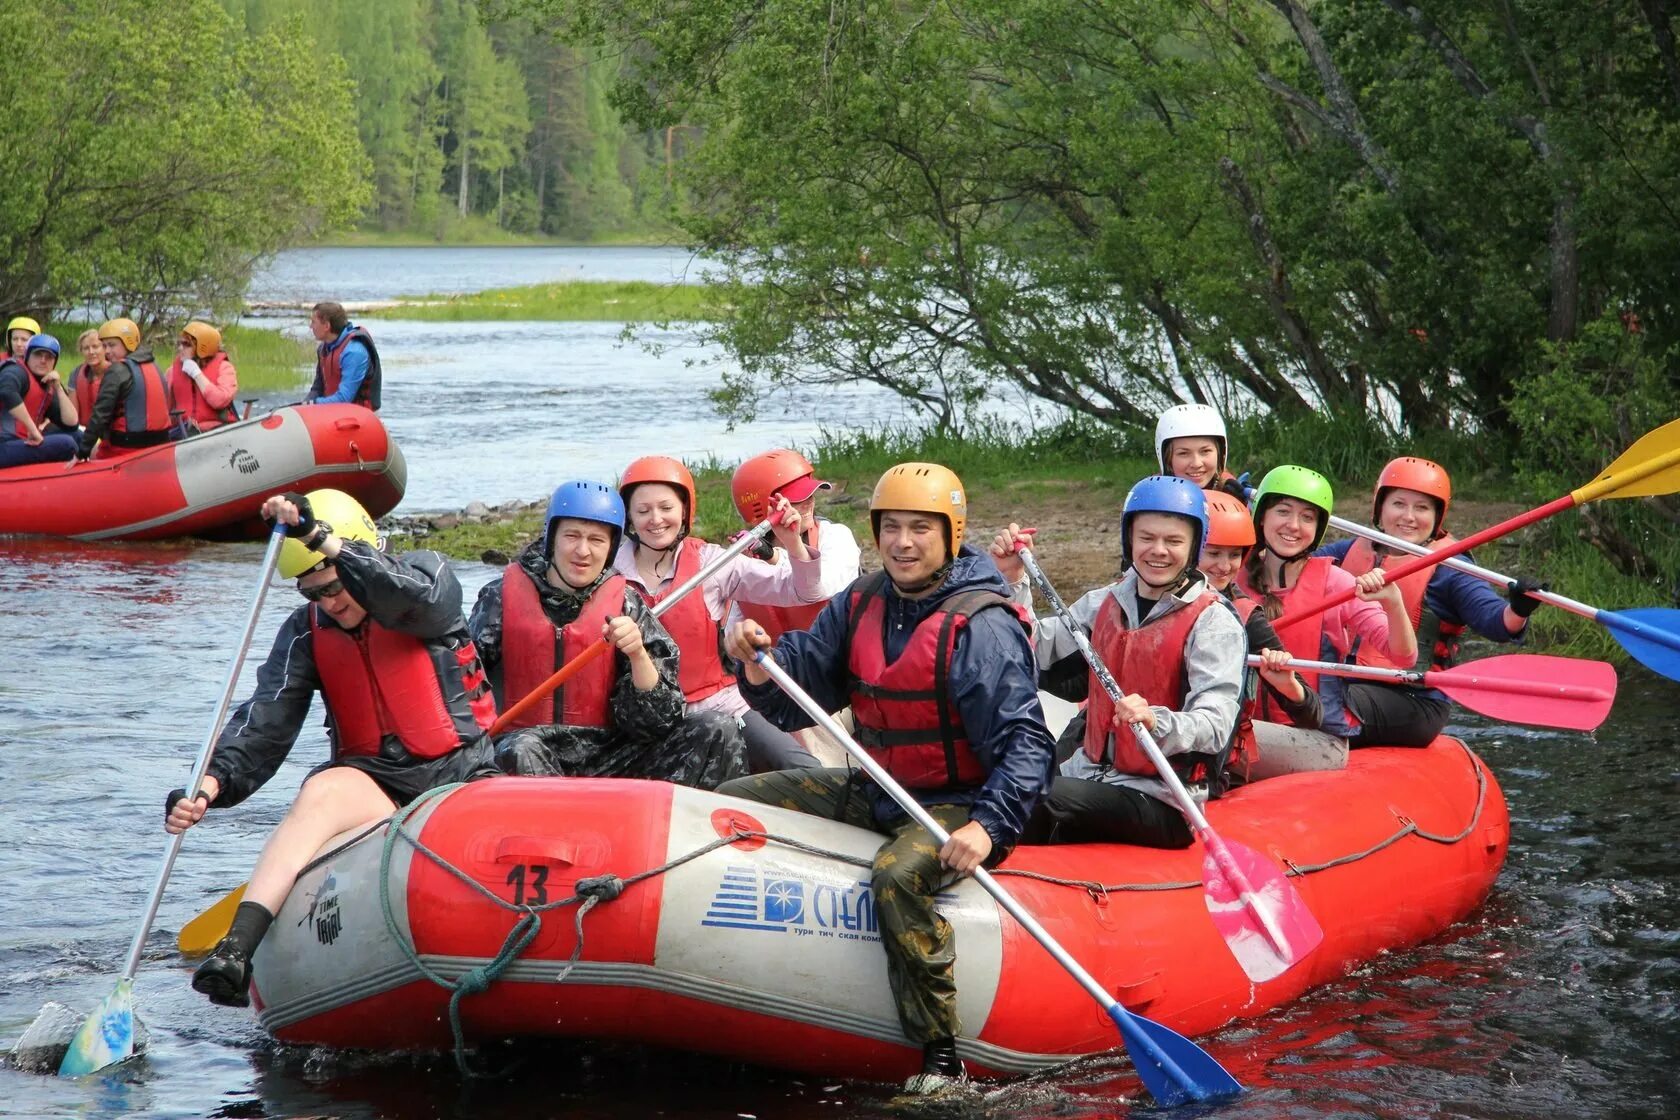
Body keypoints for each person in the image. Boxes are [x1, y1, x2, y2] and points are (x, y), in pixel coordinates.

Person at [720, 462, 1054, 1095]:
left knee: (898, 875)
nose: (903, 542)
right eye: (891, 527)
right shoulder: (862, 600)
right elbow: (802, 688)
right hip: (877, 789)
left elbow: (1028, 743)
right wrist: (759, 663)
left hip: (960, 803)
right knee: (733, 804)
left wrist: (988, 826)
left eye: (920, 529)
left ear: (951, 534)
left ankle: (941, 1057)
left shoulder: (982, 624)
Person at [166, 489, 499, 1007]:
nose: (331, 602)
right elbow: (265, 721)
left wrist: (322, 539)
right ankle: (234, 953)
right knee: (322, 790)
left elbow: (423, 603)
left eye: (337, 585)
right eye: (314, 592)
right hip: (375, 789)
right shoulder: (306, 633)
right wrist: (209, 784)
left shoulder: (426, 578)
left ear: (360, 558)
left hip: (462, 776)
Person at [992, 477, 1244, 848]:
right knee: (1000, 781)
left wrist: (1157, 719)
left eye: (1173, 541)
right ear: (1130, 540)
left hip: (1163, 798)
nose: (1158, 550)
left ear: (1193, 547)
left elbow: (1216, 723)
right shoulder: (1105, 601)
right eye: (1146, 538)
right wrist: (1012, 579)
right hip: (1091, 774)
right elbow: (1033, 648)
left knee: (1033, 797)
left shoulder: (1213, 620)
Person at [470, 480, 747, 788]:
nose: (583, 551)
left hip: (609, 754)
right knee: (519, 749)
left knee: (717, 729)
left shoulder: (627, 604)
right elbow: (461, 688)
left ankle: (701, 831)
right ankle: (557, 830)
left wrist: (639, 655)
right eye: (571, 536)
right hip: (530, 746)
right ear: (551, 538)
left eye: (597, 540)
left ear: (611, 548)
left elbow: (658, 723)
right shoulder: (499, 598)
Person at [615, 455, 827, 773]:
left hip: (722, 705)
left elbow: (801, 591)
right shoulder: (609, 572)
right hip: (647, 717)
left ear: (685, 511)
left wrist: (792, 543)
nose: (655, 519)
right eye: (643, 511)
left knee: (802, 769)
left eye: (666, 508)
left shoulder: (713, 563)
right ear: (629, 517)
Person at [1317, 457, 1544, 745]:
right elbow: (1288, 567)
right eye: (1399, 504)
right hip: (1345, 682)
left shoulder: (1451, 569)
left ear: (1437, 516)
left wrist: (1519, 608)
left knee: (1319, 699)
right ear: (1380, 507)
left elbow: (1497, 622)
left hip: (1414, 699)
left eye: (1421, 507)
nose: (1409, 517)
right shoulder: (1347, 550)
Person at [1235, 466, 1418, 745]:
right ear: (1261, 518)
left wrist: (1394, 603)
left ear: (1318, 529)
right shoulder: (1234, 580)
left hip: (1317, 735)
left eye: (1307, 517)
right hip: (1250, 728)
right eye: (1283, 511)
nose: (1294, 526)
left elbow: (1403, 657)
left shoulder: (1336, 584)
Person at [74, 318, 172, 461]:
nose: (107, 351)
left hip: (125, 448)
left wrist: (82, 453)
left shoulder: (117, 370)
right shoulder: (153, 365)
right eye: (105, 345)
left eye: (112, 345)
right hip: (160, 444)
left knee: (92, 454)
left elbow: (100, 414)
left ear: (128, 343)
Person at [1, 334, 79, 467]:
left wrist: (58, 388)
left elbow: (71, 424)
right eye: (38, 355)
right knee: (67, 444)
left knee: (78, 436)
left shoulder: (46, 384)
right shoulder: (15, 371)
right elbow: (7, 392)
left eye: (49, 357)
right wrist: (33, 429)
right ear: (27, 356)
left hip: (19, 443)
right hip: (4, 444)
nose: (43, 360)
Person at [305, 301, 381, 410]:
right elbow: (317, 389)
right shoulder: (323, 349)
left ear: (326, 326)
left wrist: (313, 404)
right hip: (333, 412)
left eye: (313, 322)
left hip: (361, 417)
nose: (310, 326)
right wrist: (304, 404)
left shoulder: (354, 352)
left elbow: (344, 398)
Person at [1155, 402, 1244, 495]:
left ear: (1220, 454)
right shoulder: (1150, 500)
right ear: (1167, 459)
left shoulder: (1237, 494)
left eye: (1205, 451)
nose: (1196, 464)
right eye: (1183, 453)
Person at [167, 320, 239, 435]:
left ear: (202, 347)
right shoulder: (172, 372)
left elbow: (219, 401)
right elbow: (165, 409)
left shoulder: (224, 368)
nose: (180, 348)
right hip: (185, 433)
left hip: (219, 431)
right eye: (180, 344)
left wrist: (196, 374)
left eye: (186, 345)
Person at [68, 329, 109, 423]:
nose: (91, 352)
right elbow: (73, 416)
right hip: (84, 430)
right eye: (86, 348)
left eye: (95, 347)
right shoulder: (75, 374)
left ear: (104, 348)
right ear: (81, 351)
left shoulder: (118, 372)